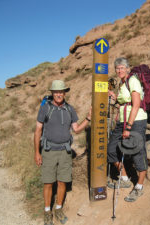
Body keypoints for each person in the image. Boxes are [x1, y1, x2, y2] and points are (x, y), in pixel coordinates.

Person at [34, 80, 91, 225]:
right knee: (48, 182)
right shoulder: (45, 108)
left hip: (65, 151)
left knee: (62, 181)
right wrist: (37, 152)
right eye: (56, 92)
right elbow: (38, 130)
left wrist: (89, 118)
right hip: (48, 151)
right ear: (52, 93)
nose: (59, 94)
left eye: (61, 91)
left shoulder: (69, 109)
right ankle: (47, 211)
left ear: (65, 93)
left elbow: (76, 129)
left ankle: (58, 209)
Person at [108, 57, 148, 202]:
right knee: (112, 150)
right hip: (122, 121)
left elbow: (136, 104)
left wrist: (129, 127)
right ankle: (124, 178)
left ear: (127, 68)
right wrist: (114, 97)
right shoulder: (122, 83)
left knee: (138, 153)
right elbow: (123, 103)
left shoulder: (132, 80)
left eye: (121, 68)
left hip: (136, 121)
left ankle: (139, 187)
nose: (119, 70)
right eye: (117, 68)